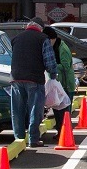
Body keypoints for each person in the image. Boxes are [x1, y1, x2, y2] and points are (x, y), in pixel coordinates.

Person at [7, 18, 57, 148]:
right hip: (34, 78)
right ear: (40, 28)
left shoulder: (16, 38)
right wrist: (53, 74)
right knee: (35, 109)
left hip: (16, 78)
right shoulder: (42, 38)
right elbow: (49, 60)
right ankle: (33, 139)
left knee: (17, 110)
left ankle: (18, 138)